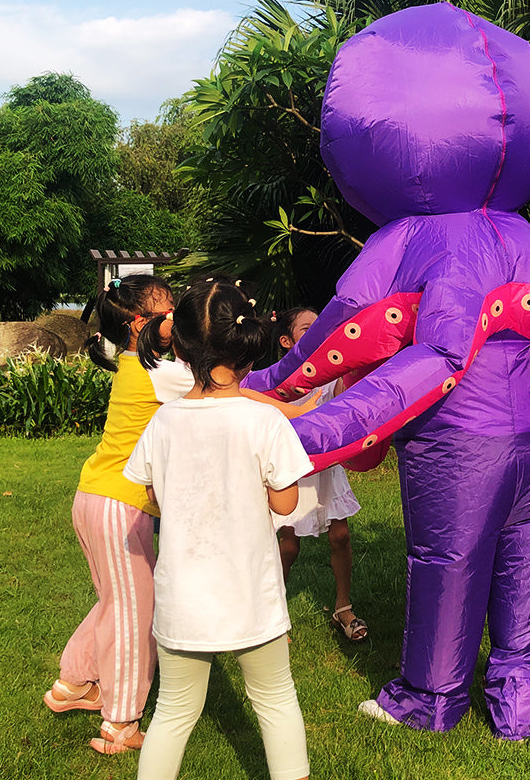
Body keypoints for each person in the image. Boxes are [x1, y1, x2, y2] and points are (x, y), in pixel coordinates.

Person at [124, 278, 313, 780]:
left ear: (180, 348)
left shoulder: (163, 422)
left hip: (183, 598)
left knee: (174, 712)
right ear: (249, 348)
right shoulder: (263, 422)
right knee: (275, 701)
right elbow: (287, 502)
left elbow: (152, 494)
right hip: (251, 594)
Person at [42, 274, 193, 755]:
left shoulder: (139, 362)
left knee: (117, 599)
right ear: (141, 323)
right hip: (118, 507)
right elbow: (226, 388)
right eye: (169, 312)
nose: (178, 318)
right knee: (134, 611)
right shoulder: (162, 371)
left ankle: (73, 684)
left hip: (97, 497)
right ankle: (121, 722)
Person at [269, 307, 366, 642]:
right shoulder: (277, 382)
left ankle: (343, 608)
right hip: (293, 468)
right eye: (305, 328)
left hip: (326, 466)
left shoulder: (329, 374)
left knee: (340, 535)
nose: (315, 333)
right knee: (288, 543)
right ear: (286, 341)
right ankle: (273, 611)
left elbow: (342, 397)